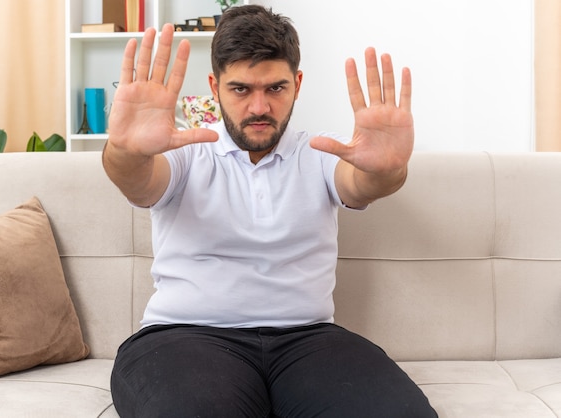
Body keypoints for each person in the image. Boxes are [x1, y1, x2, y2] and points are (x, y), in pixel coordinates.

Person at [103, 4, 437, 417]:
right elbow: (137, 181)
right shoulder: (188, 153)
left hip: (307, 341)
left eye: (275, 88)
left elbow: (362, 183)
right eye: (241, 89)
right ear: (215, 86)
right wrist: (124, 151)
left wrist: (389, 170)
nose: (259, 107)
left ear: (297, 83)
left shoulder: (320, 152)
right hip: (183, 337)